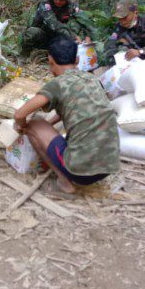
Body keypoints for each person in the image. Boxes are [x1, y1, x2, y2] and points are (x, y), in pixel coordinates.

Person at [14, 37, 120, 194]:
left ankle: (64, 181)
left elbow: (20, 113)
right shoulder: (92, 79)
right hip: (108, 168)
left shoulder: (57, 84)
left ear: (50, 61)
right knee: (44, 127)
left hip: (80, 172)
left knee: (34, 122)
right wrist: (48, 127)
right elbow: (73, 110)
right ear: (77, 60)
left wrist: (22, 127)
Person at [19, 0, 96, 56]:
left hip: (58, 38)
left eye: (62, 0)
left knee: (75, 24)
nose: (58, 1)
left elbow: (86, 21)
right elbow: (54, 24)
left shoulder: (71, 6)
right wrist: (74, 36)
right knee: (32, 31)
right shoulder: (45, 5)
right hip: (42, 37)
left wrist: (88, 36)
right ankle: (24, 55)